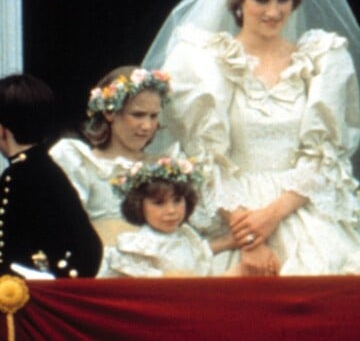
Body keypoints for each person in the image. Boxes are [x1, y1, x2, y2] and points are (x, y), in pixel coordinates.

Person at [143, 0, 360, 275]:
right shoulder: (203, 61)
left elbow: (325, 155)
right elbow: (201, 157)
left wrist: (272, 216)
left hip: (299, 208)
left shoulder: (321, 59)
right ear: (239, 2)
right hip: (229, 210)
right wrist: (250, 237)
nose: (273, 12)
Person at [50, 66, 177, 245]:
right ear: (110, 112)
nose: (147, 126)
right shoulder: (81, 163)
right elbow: (63, 230)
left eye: (153, 116)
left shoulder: (161, 167)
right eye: (138, 115)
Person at [0, 73, 102, 278]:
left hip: (30, 296)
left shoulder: (26, 175)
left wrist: (52, 281)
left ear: (3, 130)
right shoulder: (38, 169)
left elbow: (88, 249)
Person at [98, 157, 242, 277]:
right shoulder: (138, 246)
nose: (171, 211)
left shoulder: (187, 236)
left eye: (177, 200)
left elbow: (199, 263)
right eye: (159, 203)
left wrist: (228, 242)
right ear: (139, 205)